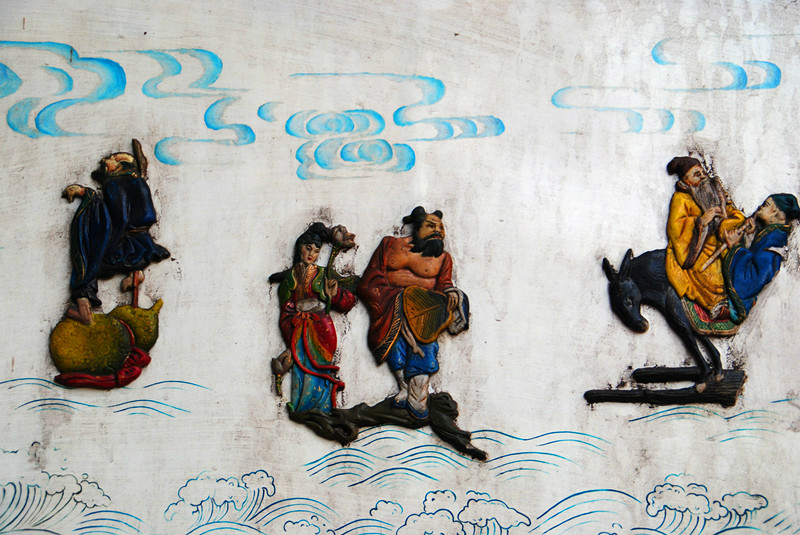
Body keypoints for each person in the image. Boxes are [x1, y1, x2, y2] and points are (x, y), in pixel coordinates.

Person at [357, 206, 468, 419]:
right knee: (393, 344)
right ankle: (403, 387)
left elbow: (444, 284)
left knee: (426, 346)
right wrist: (396, 298)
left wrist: (450, 292)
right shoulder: (390, 245)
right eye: (431, 225)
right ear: (417, 226)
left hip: (423, 311)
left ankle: (418, 398)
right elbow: (370, 278)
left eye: (441, 227)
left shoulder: (443, 258)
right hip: (390, 306)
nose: (438, 231)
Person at [63, 141, 170, 324]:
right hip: (143, 243)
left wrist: (86, 194)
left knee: (89, 257)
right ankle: (135, 273)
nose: (106, 160)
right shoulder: (139, 182)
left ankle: (83, 307)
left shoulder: (114, 185)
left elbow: (117, 218)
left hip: (125, 243)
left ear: (119, 167)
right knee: (113, 255)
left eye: (111, 159)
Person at [271, 223, 357, 414]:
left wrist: (334, 294)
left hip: (321, 327)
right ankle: (303, 407)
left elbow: (348, 301)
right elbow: (285, 312)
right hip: (298, 328)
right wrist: (291, 337)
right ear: (299, 248)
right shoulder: (290, 279)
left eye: (316, 251)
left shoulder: (322, 274)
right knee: (301, 367)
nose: (311, 254)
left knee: (320, 367)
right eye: (308, 248)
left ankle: (323, 407)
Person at [665, 156, 746, 318]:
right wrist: (700, 222)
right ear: (686, 180)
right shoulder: (680, 199)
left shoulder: (714, 192)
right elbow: (675, 228)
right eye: (696, 174)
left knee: (736, 264)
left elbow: (734, 213)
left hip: (722, 240)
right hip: (695, 248)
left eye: (702, 172)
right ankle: (717, 303)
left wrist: (728, 223)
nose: (703, 177)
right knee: (712, 274)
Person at [722, 194, 800, 323]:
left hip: (744, 293)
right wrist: (749, 235)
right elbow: (755, 253)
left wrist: (735, 247)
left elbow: (756, 277)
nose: (760, 207)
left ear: (777, 214)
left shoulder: (776, 239)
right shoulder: (771, 232)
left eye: (766, 205)